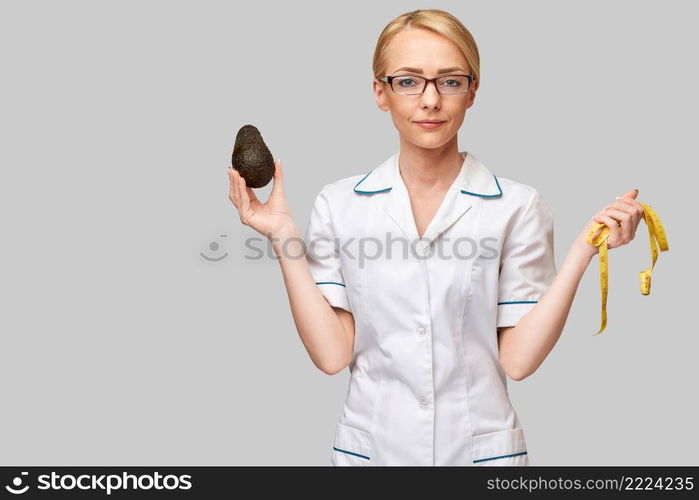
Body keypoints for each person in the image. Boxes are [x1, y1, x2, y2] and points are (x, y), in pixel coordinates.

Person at [227, 9, 645, 466]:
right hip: (370, 454)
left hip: (480, 456)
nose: (430, 100)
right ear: (380, 93)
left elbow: (519, 362)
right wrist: (283, 236)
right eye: (408, 81)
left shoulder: (517, 207)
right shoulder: (339, 203)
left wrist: (582, 252)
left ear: (472, 92)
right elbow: (331, 355)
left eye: (449, 81)